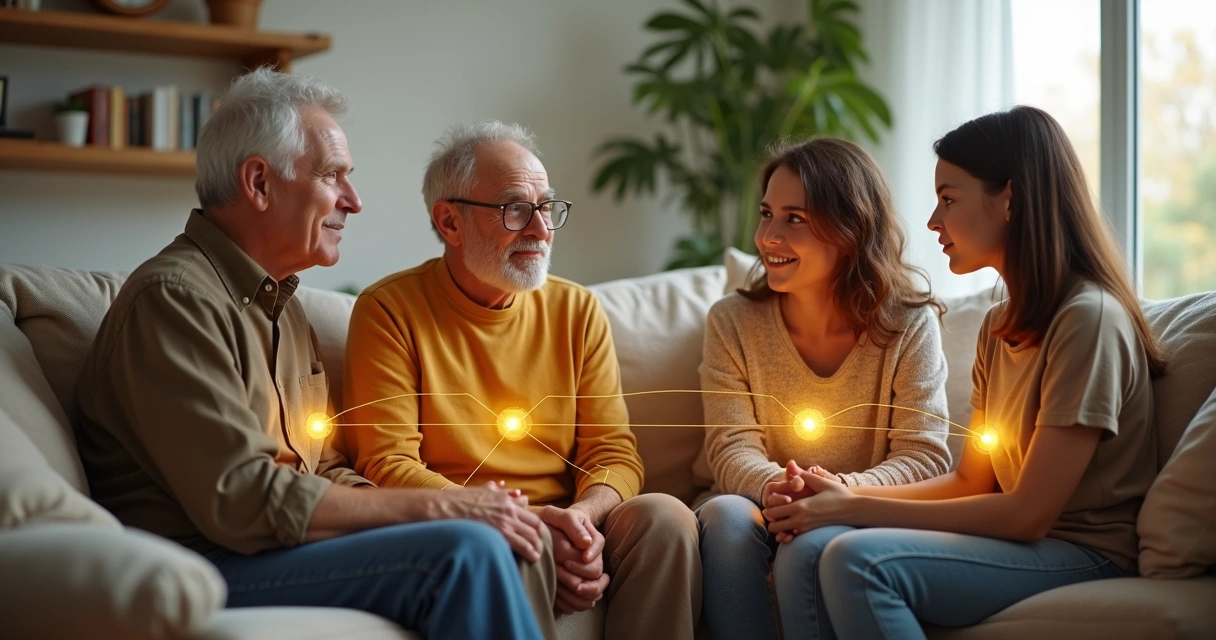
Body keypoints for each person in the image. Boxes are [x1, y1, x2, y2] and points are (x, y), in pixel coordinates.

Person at [75, 69, 544, 640]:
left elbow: (322, 467)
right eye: (333, 176)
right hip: (196, 563)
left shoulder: (279, 302)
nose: (355, 200)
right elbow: (242, 499)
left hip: (266, 551)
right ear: (259, 183)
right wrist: (442, 509)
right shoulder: (175, 301)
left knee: (482, 538)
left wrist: (410, 509)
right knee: (462, 551)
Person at [761, 106, 1165, 639]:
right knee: (805, 549)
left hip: (1086, 551)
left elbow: (1027, 515)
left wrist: (856, 505)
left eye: (948, 200)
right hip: (1026, 541)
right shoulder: (1002, 326)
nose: (933, 221)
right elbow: (971, 480)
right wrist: (833, 496)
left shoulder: (1087, 320)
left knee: (856, 560)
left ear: (1010, 200)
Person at [341, 121, 702, 640]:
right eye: (514, 209)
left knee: (667, 518)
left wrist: (580, 518)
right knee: (511, 542)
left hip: (571, 520)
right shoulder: (389, 311)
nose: (540, 229)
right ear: (449, 222)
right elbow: (387, 463)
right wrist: (525, 523)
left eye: (546, 207)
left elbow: (614, 453)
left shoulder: (576, 309)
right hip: (470, 523)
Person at [697, 137, 952, 640]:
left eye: (795, 218)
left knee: (816, 543)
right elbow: (730, 448)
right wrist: (781, 490)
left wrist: (837, 495)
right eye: (767, 214)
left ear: (851, 230)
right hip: (755, 502)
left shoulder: (910, 325)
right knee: (725, 518)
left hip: (859, 513)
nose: (767, 235)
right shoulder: (732, 321)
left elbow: (925, 455)